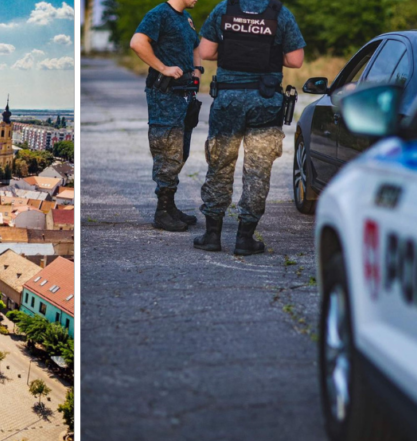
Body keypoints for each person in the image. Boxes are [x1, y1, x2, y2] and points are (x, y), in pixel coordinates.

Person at [194, 0, 305, 254]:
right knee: (258, 171)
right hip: (265, 102)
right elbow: (296, 60)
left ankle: (212, 236)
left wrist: (236, 51)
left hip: (228, 101)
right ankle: (245, 239)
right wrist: (266, 54)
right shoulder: (280, 13)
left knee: (220, 165)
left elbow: (207, 51)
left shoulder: (224, 9)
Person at [130, 0, 203, 232]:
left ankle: (170, 206)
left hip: (184, 94)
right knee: (167, 152)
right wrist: (163, 68)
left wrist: (197, 70)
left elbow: (196, 46)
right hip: (165, 95)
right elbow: (137, 42)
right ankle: (162, 212)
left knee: (181, 152)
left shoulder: (185, 18)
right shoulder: (159, 14)